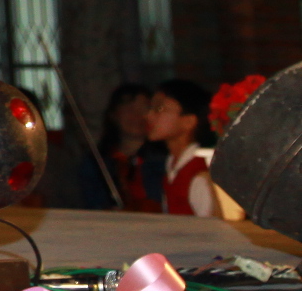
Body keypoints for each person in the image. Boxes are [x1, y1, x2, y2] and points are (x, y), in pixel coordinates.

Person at [141, 78, 218, 217]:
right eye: (150, 108)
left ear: (189, 121)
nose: (148, 116)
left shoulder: (200, 173)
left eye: (159, 109)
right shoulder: (172, 165)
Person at [77, 81, 153, 211]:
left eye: (144, 109)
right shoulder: (96, 162)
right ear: (113, 114)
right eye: (129, 109)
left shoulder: (162, 160)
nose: (137, 116)